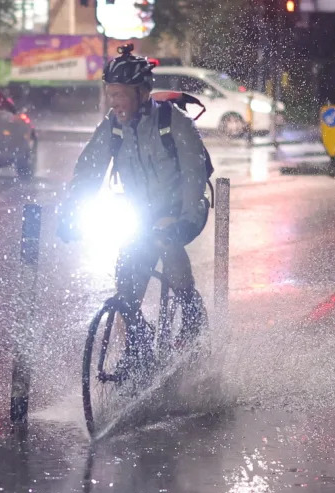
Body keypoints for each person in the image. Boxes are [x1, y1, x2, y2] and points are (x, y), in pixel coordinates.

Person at [58, 44, 209, 351]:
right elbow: (88, 171)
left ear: (141, 93)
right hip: (141, 213)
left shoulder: (173, 122)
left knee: (166, 237)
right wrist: (70, 213)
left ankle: (191, 310)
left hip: (182, 209)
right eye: (110, 94)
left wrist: (184, 219)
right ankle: (135, 346)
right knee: (127, 277)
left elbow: (195, 175)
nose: (114, 102)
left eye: (121, 94)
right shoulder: (112, 128)